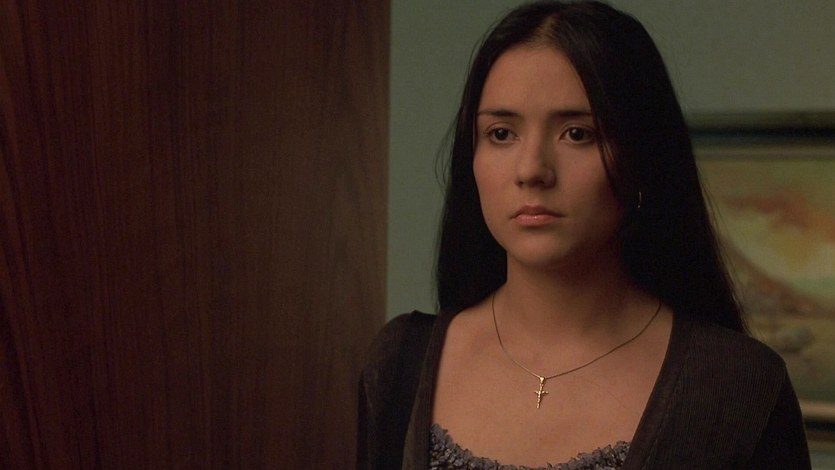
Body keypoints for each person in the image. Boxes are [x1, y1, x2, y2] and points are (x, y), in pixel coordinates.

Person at [358, 1, 811, 468]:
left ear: (641, 158)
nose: (532, 169)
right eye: (501, 133)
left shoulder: (737, 387)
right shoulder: (401, 365)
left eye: (577, 134)